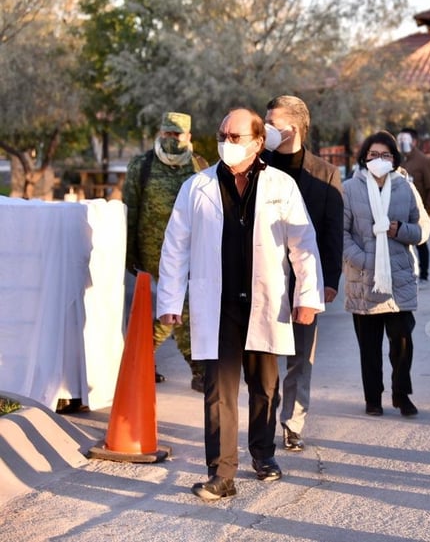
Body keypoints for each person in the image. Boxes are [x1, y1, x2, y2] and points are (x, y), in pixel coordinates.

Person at [157, 107, 324, 501]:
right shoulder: (196, 187)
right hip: (217, 304)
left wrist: (308, 296)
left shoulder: (281, 186)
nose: (226, 143)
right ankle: (221, 474)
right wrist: (169, 298)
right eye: (222, 135)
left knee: (265, 386)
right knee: (219, 391)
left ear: (257, 142)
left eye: (235, 137)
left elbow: (304, 245)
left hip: (265, 302)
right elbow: (175, 246)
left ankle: (263, 455)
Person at [262, 95, 344, 453]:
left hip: (304, 283)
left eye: (271, 123)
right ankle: (261, 422)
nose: (265, 130)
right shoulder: (256, 165)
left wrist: (329, 281)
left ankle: (292, 423)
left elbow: (332, 231)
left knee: (299, 358)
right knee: (262, 359)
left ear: (292, 128)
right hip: (261, 279)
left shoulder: (324, 174)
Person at [343, 131, 430, 417]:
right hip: (364, 278)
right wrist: (366, 259)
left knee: (403, 341)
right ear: (363, 158)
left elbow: (422, 230)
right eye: (373, 155)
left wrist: (399, 230)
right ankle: (373, 398)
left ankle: (401, 394)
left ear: (394, 159)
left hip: (398, 277)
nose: (378, 160)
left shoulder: (405, 188)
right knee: (369, 346)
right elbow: (341, 234)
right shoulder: (349, 189)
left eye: (385, 155)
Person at [123, 111, 207, 391]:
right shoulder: (142, 166)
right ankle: (199, 369)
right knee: (178, 306)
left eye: (177, 135)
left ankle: (137, 361)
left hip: (191, 251)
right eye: (167, 134)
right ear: (160, 133)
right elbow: (130, 209)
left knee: (177, 307)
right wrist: (129, 253)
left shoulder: (198, 166)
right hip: (154, 252)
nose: (171, 140)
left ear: (189, 137)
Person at [397, 128, 430, 283]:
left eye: (405, 140)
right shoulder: (398, 160)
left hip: (418, 211)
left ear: (414, 141)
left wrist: (425, 212)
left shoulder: (423, 161)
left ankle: (424, 274)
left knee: (421, 243)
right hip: (401, 211)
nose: (402, 143)